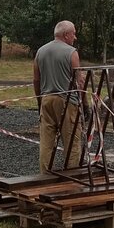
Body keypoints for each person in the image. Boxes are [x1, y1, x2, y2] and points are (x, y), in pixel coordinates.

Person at [33, 21, 84, 172]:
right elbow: (79, 82)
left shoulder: (40, 51)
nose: (75, 37)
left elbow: (36, 80)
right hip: (67, 102)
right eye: (73, 33)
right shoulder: (71, 52)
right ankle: (72, 176)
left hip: (46, 99)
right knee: (72, 143)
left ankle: (44, 175)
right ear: (66, 35)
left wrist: (39, 101)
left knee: (46, 143)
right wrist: (85, 104)